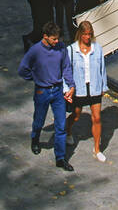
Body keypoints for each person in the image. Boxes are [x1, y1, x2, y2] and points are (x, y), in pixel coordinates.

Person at [17, 21, 75, 171]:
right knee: (39, 120)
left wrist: (71, 85)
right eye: (54, 39)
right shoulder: (35, 51)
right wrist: (36, 78)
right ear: (45, 37)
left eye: (58, 39)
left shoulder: (61, 48)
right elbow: (23, 69)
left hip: (57, 91)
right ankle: (35, 138)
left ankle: (60, 157)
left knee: (61, 125)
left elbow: (66, 67)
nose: (57, 42)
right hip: (42, 91)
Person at [67, 20, 109, 162]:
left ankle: (97, 149)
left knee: (97, 118)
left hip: (94, 87)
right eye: (85, 34)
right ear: (80, 34)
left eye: (89, 34)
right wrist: (67, 89)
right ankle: (67, 131)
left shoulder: (97, 48)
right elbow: (66, 71)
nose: (87, 37)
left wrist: (104, 86)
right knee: (76, 115)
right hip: (79, 89)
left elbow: (102, 68)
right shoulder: (71, 50)